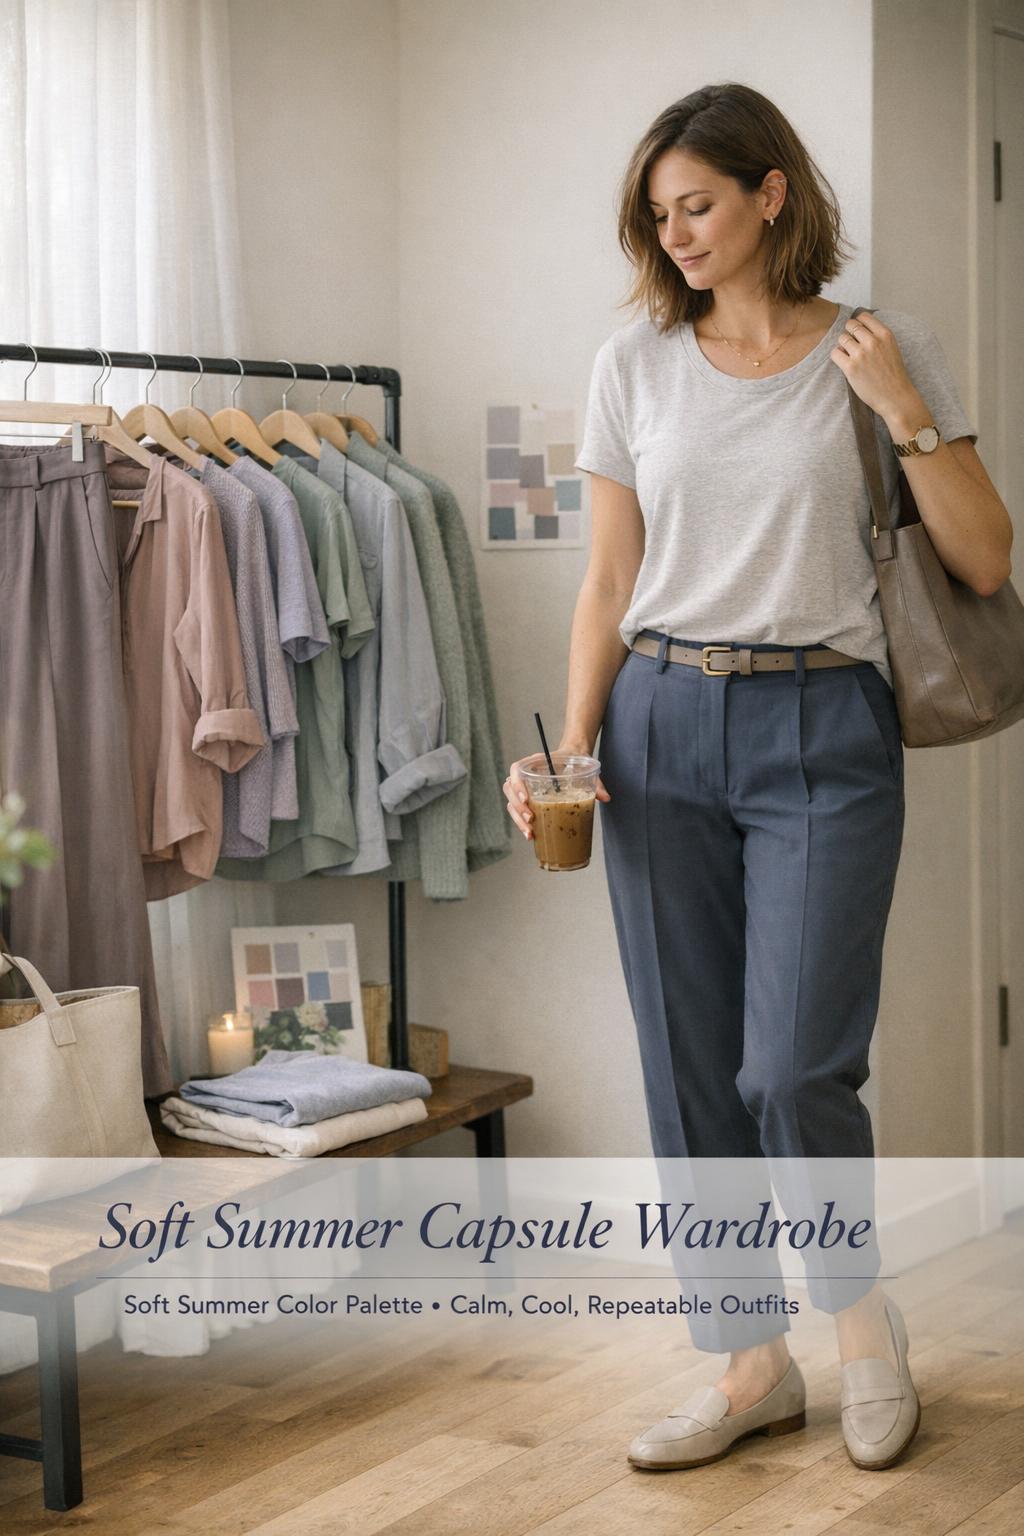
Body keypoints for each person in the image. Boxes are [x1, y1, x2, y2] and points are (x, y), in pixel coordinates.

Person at [503, 82, 1012, 1473]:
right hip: (661, 722)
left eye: (700, 206)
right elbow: (609, 577)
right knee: (688, 1067)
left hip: (823, 729)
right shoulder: (636, 367)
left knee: (793, 1064)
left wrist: (902, 405)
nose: (677, 236)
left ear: (771, 193)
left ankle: (859, 1327)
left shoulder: (877, 344)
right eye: (658, 216)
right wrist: (574, 743)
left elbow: (983, 559)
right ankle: (746, 1364)